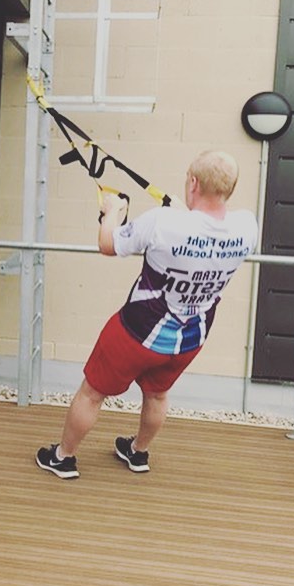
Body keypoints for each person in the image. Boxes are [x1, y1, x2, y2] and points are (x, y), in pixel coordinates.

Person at [36, 150, 258, 478]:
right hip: (190, 338)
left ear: (193, 182)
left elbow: (108, 244)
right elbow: (205, 230)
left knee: (92, 392)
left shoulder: (163, 221)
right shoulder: (246, 226)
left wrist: (113, 211)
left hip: (136, 331)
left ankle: (63, 456)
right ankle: (138, 453)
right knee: (157, 393)